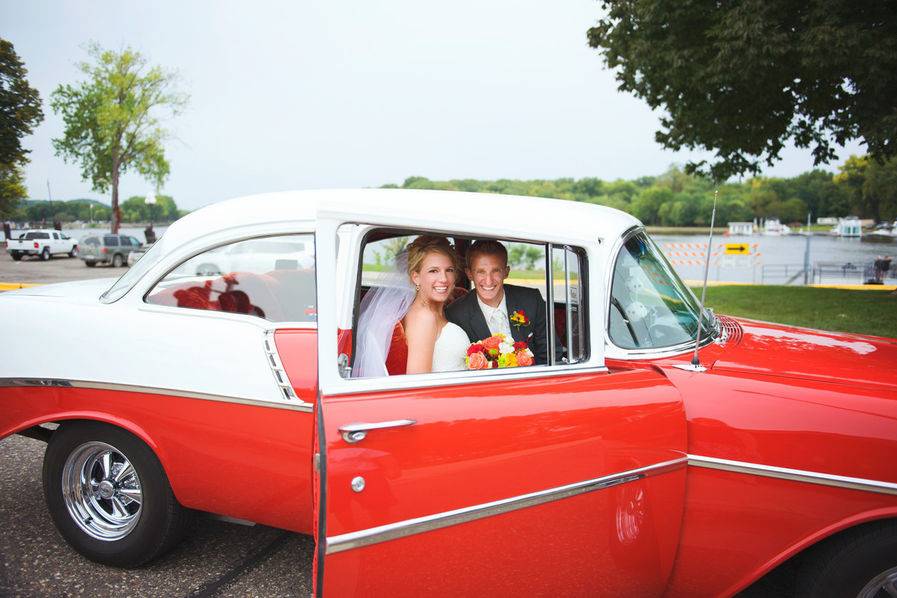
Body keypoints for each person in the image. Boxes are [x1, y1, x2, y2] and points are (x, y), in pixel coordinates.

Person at [352, 235, 468, 377]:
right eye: (433, 271)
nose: (443, 279)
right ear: (416, 277)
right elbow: (419, 385)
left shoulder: (432, 310)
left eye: (449, 270)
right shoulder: (424, 318)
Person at [447, 240, 551, 365]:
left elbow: (550, 355)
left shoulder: (531, 300)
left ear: (506, 272)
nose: (489, 281)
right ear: (469, 274)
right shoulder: (455, 314)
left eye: (495, 271)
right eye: (481, 272)